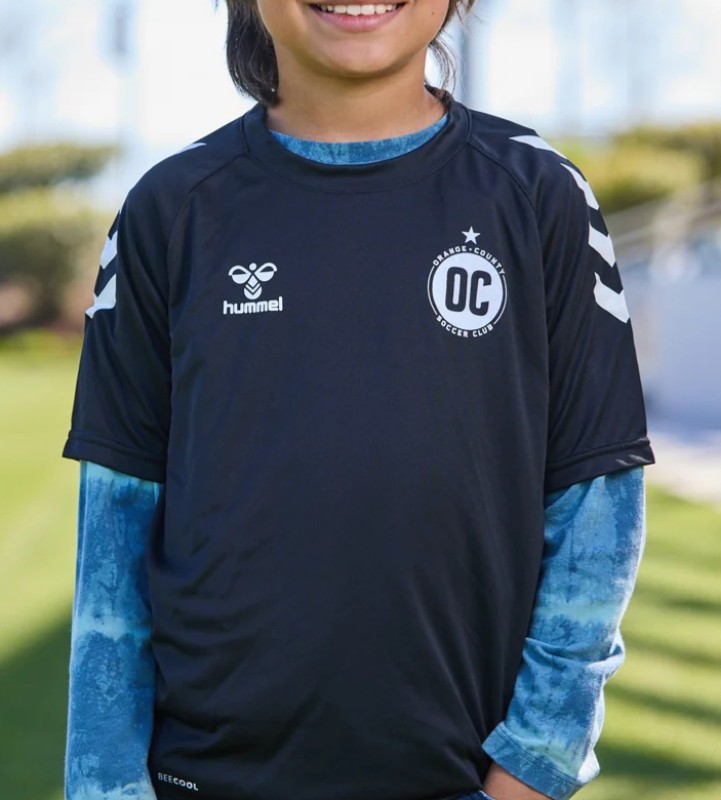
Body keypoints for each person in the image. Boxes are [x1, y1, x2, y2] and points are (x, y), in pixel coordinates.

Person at [62, 1, 654, 799]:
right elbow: (114, 538)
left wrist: (531, 766)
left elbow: (595, 507)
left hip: (461, 779)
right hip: (202, 778)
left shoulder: (537, 193)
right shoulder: (170, 208)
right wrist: (105, 785)